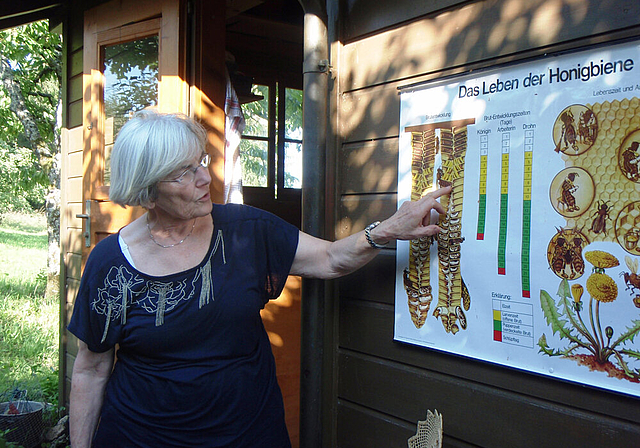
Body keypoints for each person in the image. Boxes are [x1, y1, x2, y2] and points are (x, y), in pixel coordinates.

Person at [68, 110, 451, 448]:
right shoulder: (111, 266)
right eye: (185, 172)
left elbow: (330, 258)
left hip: (246, 434)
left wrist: (385, 231)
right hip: (142, 436)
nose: (205, 177)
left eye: (201, 161)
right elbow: (91, 368)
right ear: (148, 192)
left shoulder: (245, 230)